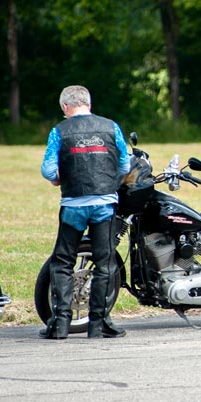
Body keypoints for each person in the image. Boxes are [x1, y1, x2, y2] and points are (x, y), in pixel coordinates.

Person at [40, 85, 130, 339]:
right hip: (104, 204)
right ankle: (98, 325)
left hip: (73, 205)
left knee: (63, 262)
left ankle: (61, 324)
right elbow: (124, 163)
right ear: (88, 104)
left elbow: (48, 170)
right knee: (105, 262)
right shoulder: (111, 127)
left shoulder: (59, 131)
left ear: (66, 106)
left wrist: (58, 179)